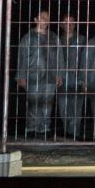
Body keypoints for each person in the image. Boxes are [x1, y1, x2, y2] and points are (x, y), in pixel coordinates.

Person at [15, 8, 58, 141]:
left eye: (47, 18)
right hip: (33, 77)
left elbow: (59, 57)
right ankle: (32, 129)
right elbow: (21, 58)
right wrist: (20, 76)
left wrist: (59, 74)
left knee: (47, 104)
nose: (45, 20)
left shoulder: (53, 38)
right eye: (42, 17)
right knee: (34, 104)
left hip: (50, 77)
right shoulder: (28, 38)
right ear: (35, 20)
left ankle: (44, 128)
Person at [55, 11, 89, 141]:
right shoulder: (56, 40)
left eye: (71, 22)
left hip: (77, 78)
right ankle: (66, 135)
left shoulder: (81, 39)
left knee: (76, 108)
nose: (69, 24)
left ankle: (75, 135)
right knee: (63, 108)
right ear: (61, 25)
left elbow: (85, 60)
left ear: (75, 24)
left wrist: (84, 80)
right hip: (62, 78)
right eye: (66, 22)